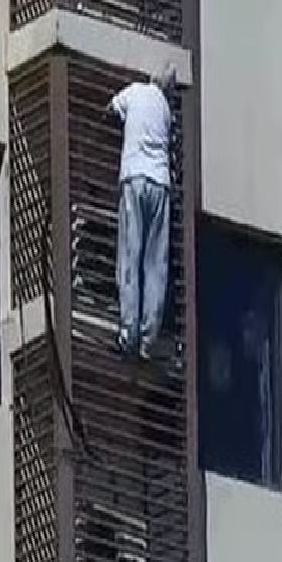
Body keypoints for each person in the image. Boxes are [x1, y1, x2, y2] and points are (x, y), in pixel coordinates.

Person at [108, 63, 177, 360]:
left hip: (135, 177)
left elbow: (110, 109)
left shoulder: (135, 92)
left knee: (130, 255)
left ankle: (128, 331)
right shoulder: (166, 111)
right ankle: (149, 338)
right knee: (155, 265)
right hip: (161, 184)